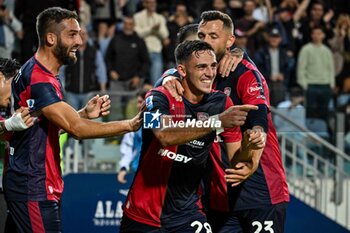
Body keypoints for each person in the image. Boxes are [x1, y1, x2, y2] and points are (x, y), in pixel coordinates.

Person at [3, 7, 142, 233]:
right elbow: (76, 130)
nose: (79, 41)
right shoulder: (40, 79)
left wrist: (82, 114)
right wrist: (130, 124)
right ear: (50, 38)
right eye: (72, 34)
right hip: (34, 186)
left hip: (29, 183)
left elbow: (41, 128)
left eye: (80, 33)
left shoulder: (37, 71)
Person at [162, 10, 289, 233]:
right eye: (201, 36)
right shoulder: (196, 74)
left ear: (230, 40)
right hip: (218, 194)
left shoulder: (244, 72)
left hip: (259, 188)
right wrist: (167, 77)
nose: (206, 42)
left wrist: (257, 133)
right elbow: (179, 69)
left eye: (213, 36)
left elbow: (258, 110)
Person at [120, 40, 264, 232]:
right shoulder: (155, 98)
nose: (210, 73)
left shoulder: (222, 103)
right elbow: (164, 136)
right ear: (182, 70)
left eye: (213, 66)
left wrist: (248, 146)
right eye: (201, 67)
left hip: (188, 213)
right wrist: (216, 121)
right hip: (142, 215)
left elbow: (235, 161)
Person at [0, 57, 33, 233]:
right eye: (14, 84)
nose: (17, 92)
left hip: (10, 191)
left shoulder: (7, 111)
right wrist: (9, 125)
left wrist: (81, 115)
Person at [117, 88, 148, 184]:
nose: (139, 105)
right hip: (138, 173)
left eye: (141, 102)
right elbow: (127, 149)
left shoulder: (163, 123)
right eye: (138, 102)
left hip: (158, 174)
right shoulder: (133, 125)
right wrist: (123, 168)